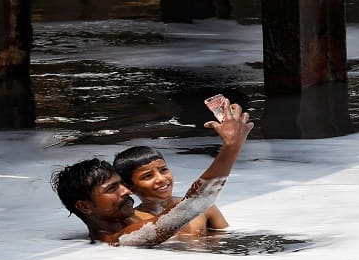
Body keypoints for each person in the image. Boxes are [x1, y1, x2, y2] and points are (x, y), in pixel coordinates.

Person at [52, 100, 252, 246]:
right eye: (112, 188)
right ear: (84, 206)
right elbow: (189, 207)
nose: (127, 191)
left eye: (121, 184)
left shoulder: (140, 218)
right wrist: (231, 147)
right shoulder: (119, 241)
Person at [112, 145, 228, 236]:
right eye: (148, 176)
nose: (161, 179)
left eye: (163, 170)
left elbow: (227, 240)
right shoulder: (131, 222)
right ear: (128, 187)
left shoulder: (204, 207)